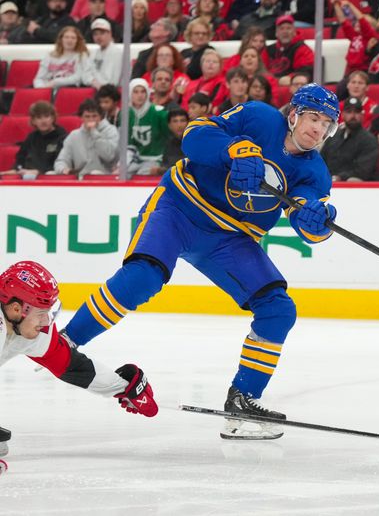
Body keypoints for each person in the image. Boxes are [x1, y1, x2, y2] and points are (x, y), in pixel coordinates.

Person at [61, 84, 342, 440]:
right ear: (293, 115)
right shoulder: (258, 117)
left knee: (278, 309)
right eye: (313, 118)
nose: (318, 129)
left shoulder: (314, 171)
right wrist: (232, 150)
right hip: (180, 206)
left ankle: (243, 400)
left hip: (230, 237)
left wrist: (316, 220)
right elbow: (193, 136)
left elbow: (308, 221)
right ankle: (66, 343)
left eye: (327, 124)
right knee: (143, 278)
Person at [0, 261, 157, 458]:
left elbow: (71, 366)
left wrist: (123, 387)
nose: (46, 321)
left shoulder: (31, 331)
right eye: (41, 313)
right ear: (16, 309)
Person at [53, 99, 119, 177]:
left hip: (105, 178)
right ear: (81, 118)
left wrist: (94, 133)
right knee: (50, 174)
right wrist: (63, 169)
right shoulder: (74, 135)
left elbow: (109, 156)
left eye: (94, 116)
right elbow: (61, 160)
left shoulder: (111, 131)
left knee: (95, 173)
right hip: (81, 179)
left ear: (100, 116)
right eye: (87, 116)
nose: (91, 119)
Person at [321, 97, 379, 181]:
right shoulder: (334, 136)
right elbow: (321, 159)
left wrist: (339, 177)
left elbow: (363, 170)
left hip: (353, 187)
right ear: (343, 115)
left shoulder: (369, 140)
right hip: (327, 182)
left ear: (362, 115)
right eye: (349, 112)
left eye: (357, 112)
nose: (353, 116)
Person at [3, 101, 66, 178]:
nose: (43, 121)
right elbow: (20, 158)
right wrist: (15, 169)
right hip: (26, 177)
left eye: (46, 116)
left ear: (53, 118)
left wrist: (39, 172)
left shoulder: (63, 137)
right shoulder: (31, 137)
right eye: (39, 117)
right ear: (33, 121)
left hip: (50, 179)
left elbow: (61, 164)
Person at [332, 0, 378, 91]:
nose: (358, 23)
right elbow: (343, 21)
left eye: (361, 23)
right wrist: (336, 5)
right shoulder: (354, 36)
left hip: (362, 72)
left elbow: (362, 20)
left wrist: (350, 5)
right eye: (356, 22)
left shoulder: (369, 36)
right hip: (350, 72)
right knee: (339, 89)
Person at [127, 79, 170, 175]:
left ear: (147, 93)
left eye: (143, 91)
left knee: (143, 173)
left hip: (156, 159)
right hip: (134, 160)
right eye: (136, 92)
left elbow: (169, 138)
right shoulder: (125, 114)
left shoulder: (159, 113)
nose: (140, 95)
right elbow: (127, 144)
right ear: (130, 93)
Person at [265, 15, 315, 87]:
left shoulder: (303, 49)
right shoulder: (268, 49)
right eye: (281, 29)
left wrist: (291, 78)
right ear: (276, 33)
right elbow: (261, 69)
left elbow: (305, 71)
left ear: (294, 31)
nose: (285, 31)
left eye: (288, 28)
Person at [83, 18, 122, 88]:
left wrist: (92, 77)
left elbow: (111, 81)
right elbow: (84, 76)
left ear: (110, 34)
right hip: (98, 90)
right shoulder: (94, 53)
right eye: (95, 34)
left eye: (102, 33)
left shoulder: (116, 52)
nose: (98, 37)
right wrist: (93, 82)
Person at [162, 108, 189, 172]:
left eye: (182, 120)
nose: (179, 125)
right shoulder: (164, 143)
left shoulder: (195, 141)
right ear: (169, 125)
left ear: (188, 123)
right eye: (175, 121)